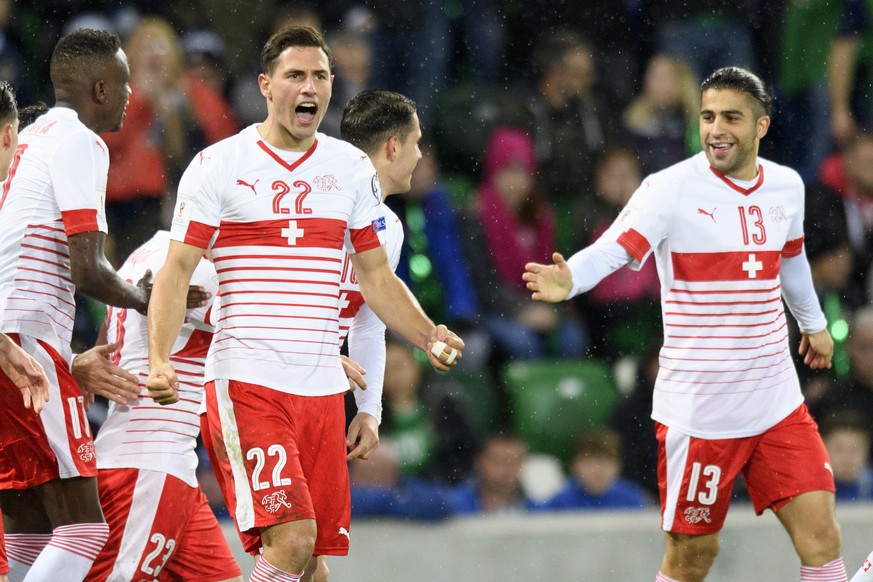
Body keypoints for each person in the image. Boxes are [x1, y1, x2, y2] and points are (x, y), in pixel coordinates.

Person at [146, 26, 464, 582]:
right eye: (295, 75)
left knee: (310, 563)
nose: (309, 87)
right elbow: (175, 273)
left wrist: (428, 334)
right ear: (266, 86)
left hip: (321, 392)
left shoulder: (348, 170)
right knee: (293, 541)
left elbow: (377, 280)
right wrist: (159, 358)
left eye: (319, 76)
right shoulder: (219, 165)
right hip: (247, 380)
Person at [523, 67, 847, 581]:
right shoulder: (668, 189)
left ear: (761, 126)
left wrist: (813, 324)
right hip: (701, 414)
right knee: (693, 558)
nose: (716, 129)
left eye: (731, 118)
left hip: (776, 401)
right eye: (708, 116)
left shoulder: (786, 186)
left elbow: (790, 259)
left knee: (823, 540)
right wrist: (572, 280)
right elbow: (614, 248)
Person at [0, 29, 207, 582]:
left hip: (8, 336)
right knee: (83, 531)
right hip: (27, 343)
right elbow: (86, 268)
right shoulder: (80, 141)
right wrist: (151, 298)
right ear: (97, 88)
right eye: (122, 82)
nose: (129, 92)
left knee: (26, 532)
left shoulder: (27, 139)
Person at [83, 230, 241, 582]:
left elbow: (107, 339)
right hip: (147, 466)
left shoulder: (146, 251)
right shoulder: (196, 270)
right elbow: (262, 334)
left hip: (164, 463)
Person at [537, 428, 650, 511]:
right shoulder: (561, 501)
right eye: (589, 464)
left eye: (605, 463)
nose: (598, 470)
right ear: (575, 466)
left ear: (618, 466)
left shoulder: (631, 498)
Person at [451, 432, 535, 515]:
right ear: (479, 462)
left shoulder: (537, 508)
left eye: (514, 462)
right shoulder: (453, 504)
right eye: (498, 461)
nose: (507, 468)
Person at [819, 410, 873, 502]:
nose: (846, 458)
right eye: (838, 449)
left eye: (854, 450)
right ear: (822, 449)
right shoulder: (810, 491)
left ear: (866, 451)